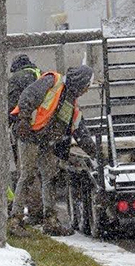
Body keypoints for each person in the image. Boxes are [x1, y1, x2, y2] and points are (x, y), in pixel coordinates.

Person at [10, 64, 98, 236]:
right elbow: (28, 95)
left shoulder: (72, 105)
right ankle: (16, 220)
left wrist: (96, 154)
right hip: (28, 133)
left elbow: (81, 134)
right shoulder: (52, 81)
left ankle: (50, 221)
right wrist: (23, 119)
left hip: (46, 141)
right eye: (87, 86)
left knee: (49, 176)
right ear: (80, 83)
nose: (86, 90)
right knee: (27, 175)